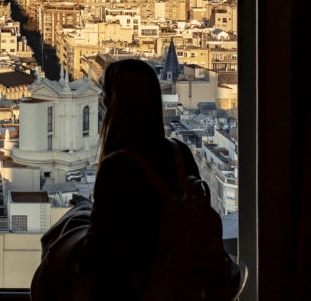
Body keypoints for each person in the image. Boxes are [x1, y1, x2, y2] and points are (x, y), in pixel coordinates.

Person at [31, 58, 239, 301]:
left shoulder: (117, 167)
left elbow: (95, 257)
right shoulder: (180, 153)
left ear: (115, 104)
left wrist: (79, 216)